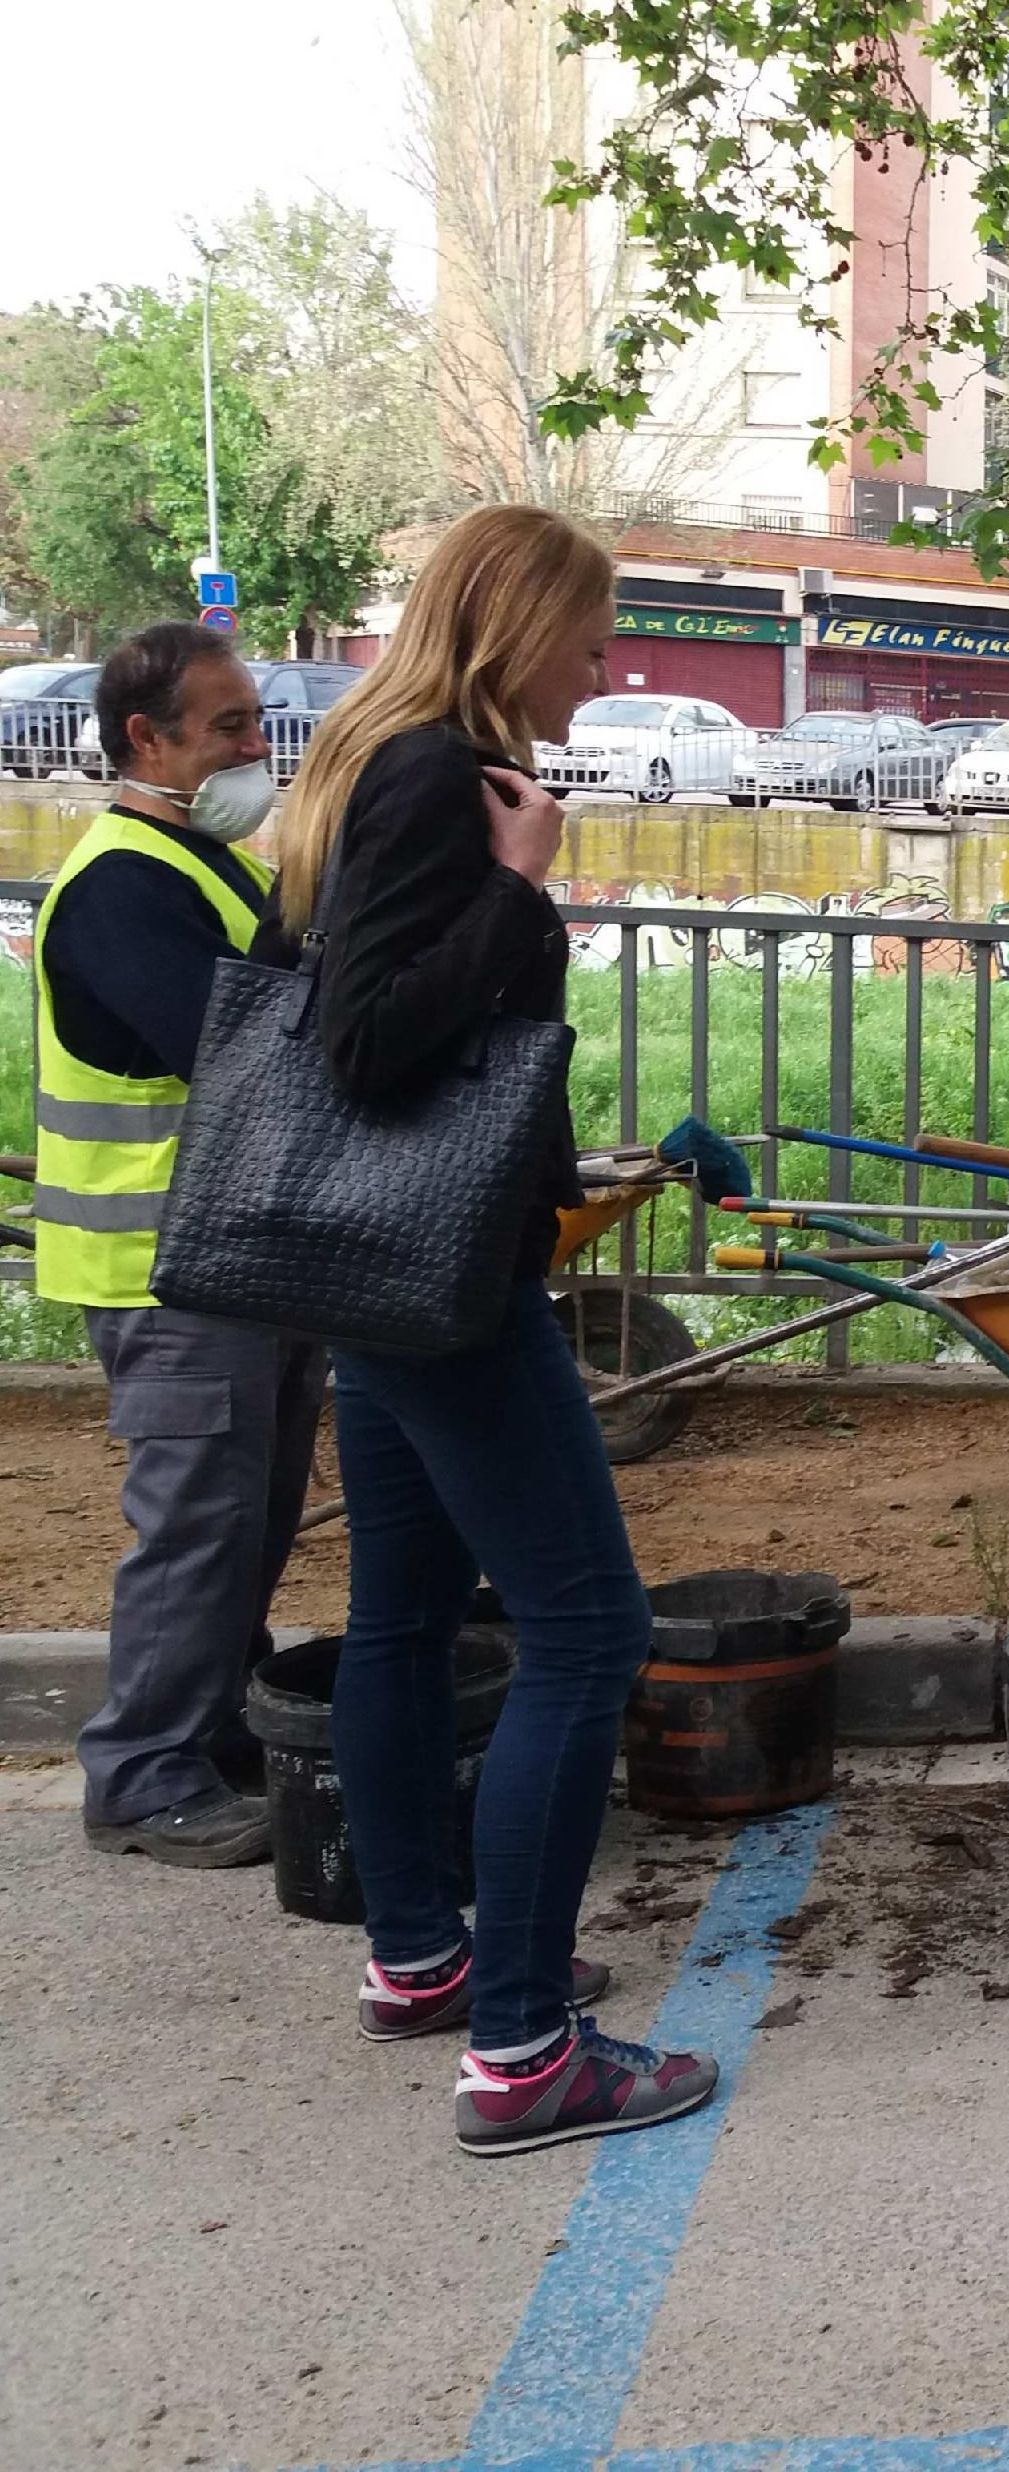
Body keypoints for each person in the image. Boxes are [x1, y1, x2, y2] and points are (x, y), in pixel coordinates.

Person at [274, 502, 711, 2152]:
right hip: (443, 1281)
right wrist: (524, 903)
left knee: (399, 1617)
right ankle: (529, 2048)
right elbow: (374, 1044)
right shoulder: (429, 783)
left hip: (364, 1274)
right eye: (590, 638)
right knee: (588, 1630)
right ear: (514, 623)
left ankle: (420, 1955)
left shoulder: (350, 767)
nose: (604, 671)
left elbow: (310, 1006)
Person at [33, 624, 326, 1866]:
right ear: (145, 739)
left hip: (236, 1259)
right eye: (227, 727)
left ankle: (214, 1733)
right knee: (198, 1527)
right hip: (167, 1268)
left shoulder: (198, 867)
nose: (257, 747)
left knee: (247, 1523)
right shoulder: (121, 887)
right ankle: (144, 1773)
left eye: (257, 721)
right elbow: (242, 1053)